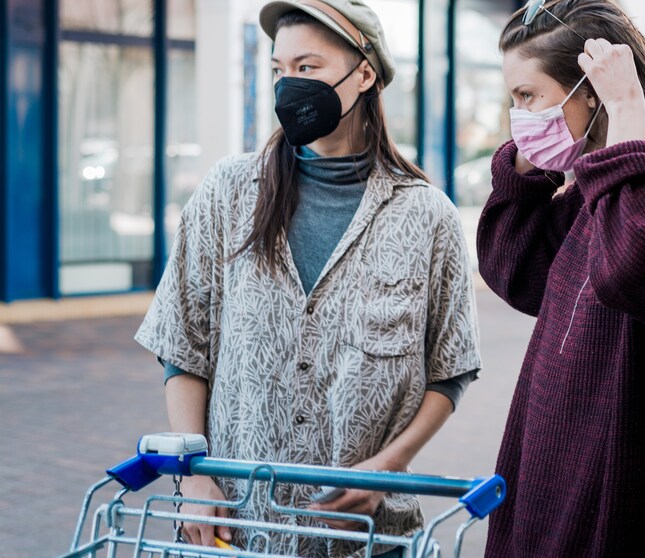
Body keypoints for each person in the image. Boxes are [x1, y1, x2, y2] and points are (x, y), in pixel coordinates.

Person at [135, 1, 482, 556]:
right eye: (279, 70)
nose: (288, 86)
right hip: (237, 528)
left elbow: (450, 371)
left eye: (308, 67)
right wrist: (195, 474)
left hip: (369, 537)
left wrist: (384, 471)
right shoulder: (229, 193)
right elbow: (184, 347)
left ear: (364, 75)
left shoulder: (427, 215)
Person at [476, 0, 645, 555]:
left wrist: (626, 115)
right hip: (540, 470)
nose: (518, 114)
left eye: (528, 97)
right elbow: (514, 271)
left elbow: (636, 268)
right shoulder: (593, 189)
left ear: (593, 92)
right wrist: (531, 161)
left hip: (623, 483)